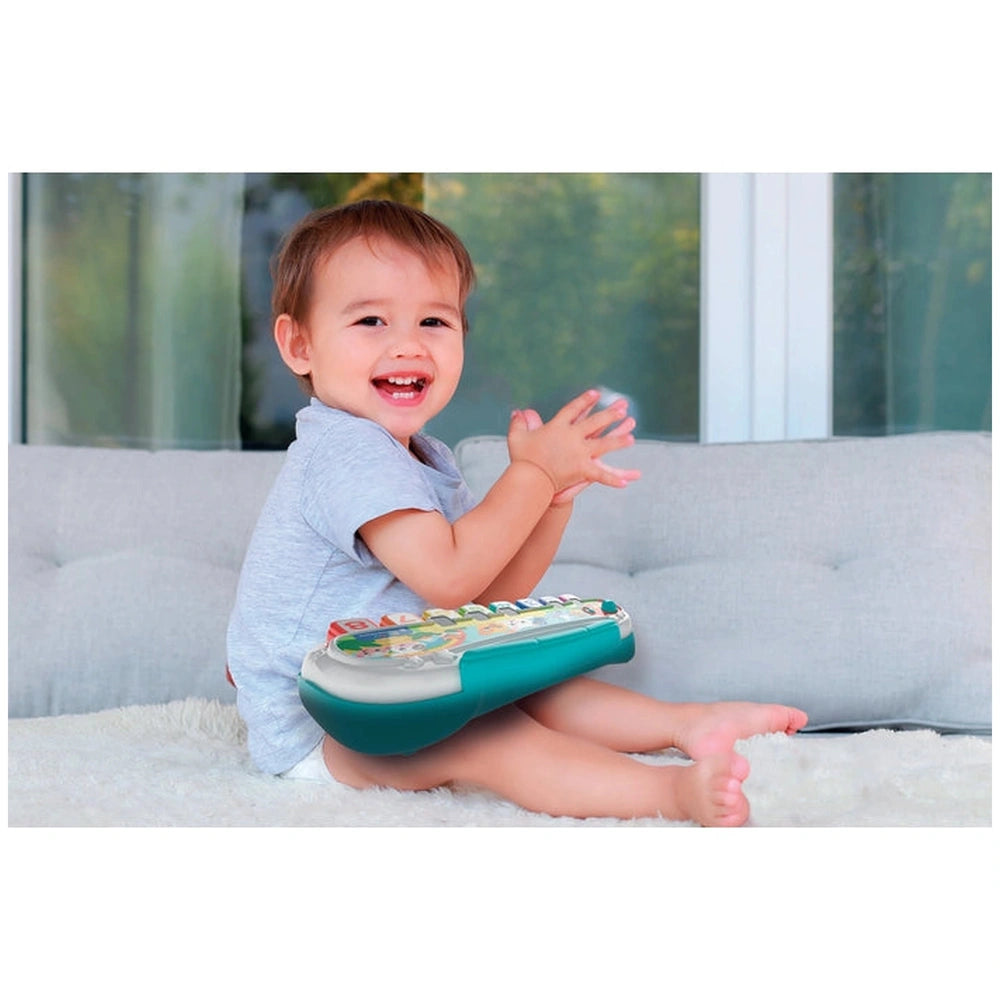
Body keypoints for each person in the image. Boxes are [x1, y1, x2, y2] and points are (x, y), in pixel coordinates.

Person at [226, 199, 807, 826]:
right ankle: (667, 795)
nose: (408, 345)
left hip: (399, 679)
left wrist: (551, 502)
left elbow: (475, 600)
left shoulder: (416, 457)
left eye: (434, 322)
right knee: (490, 737)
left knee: (534, 688)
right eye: (370, 320)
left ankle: (690, 723)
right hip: (327, 724)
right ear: (300, 345)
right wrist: (530, 475)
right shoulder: (345, 451)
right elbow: (449, 577)